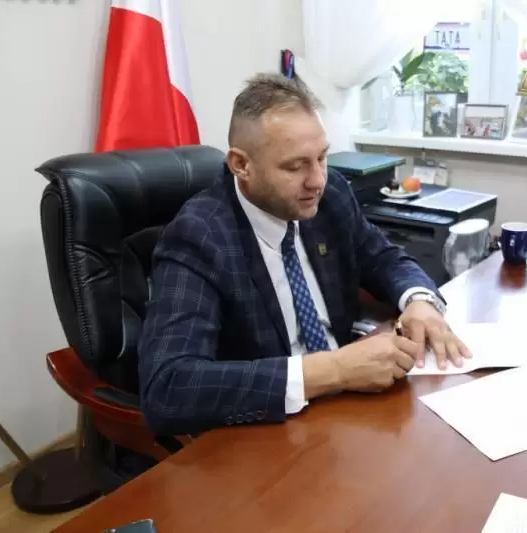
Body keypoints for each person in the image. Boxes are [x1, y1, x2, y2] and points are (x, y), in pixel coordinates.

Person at [138, 74, 470, 435]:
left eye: (322, 158)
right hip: (269, 429)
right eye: (295, 166)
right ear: (241, 165)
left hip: (353, 408)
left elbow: (382, 257)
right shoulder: (199, 237)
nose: (317, 180)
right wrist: (334, 370)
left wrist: (418, 300)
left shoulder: (330, 194)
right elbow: (169, 388)